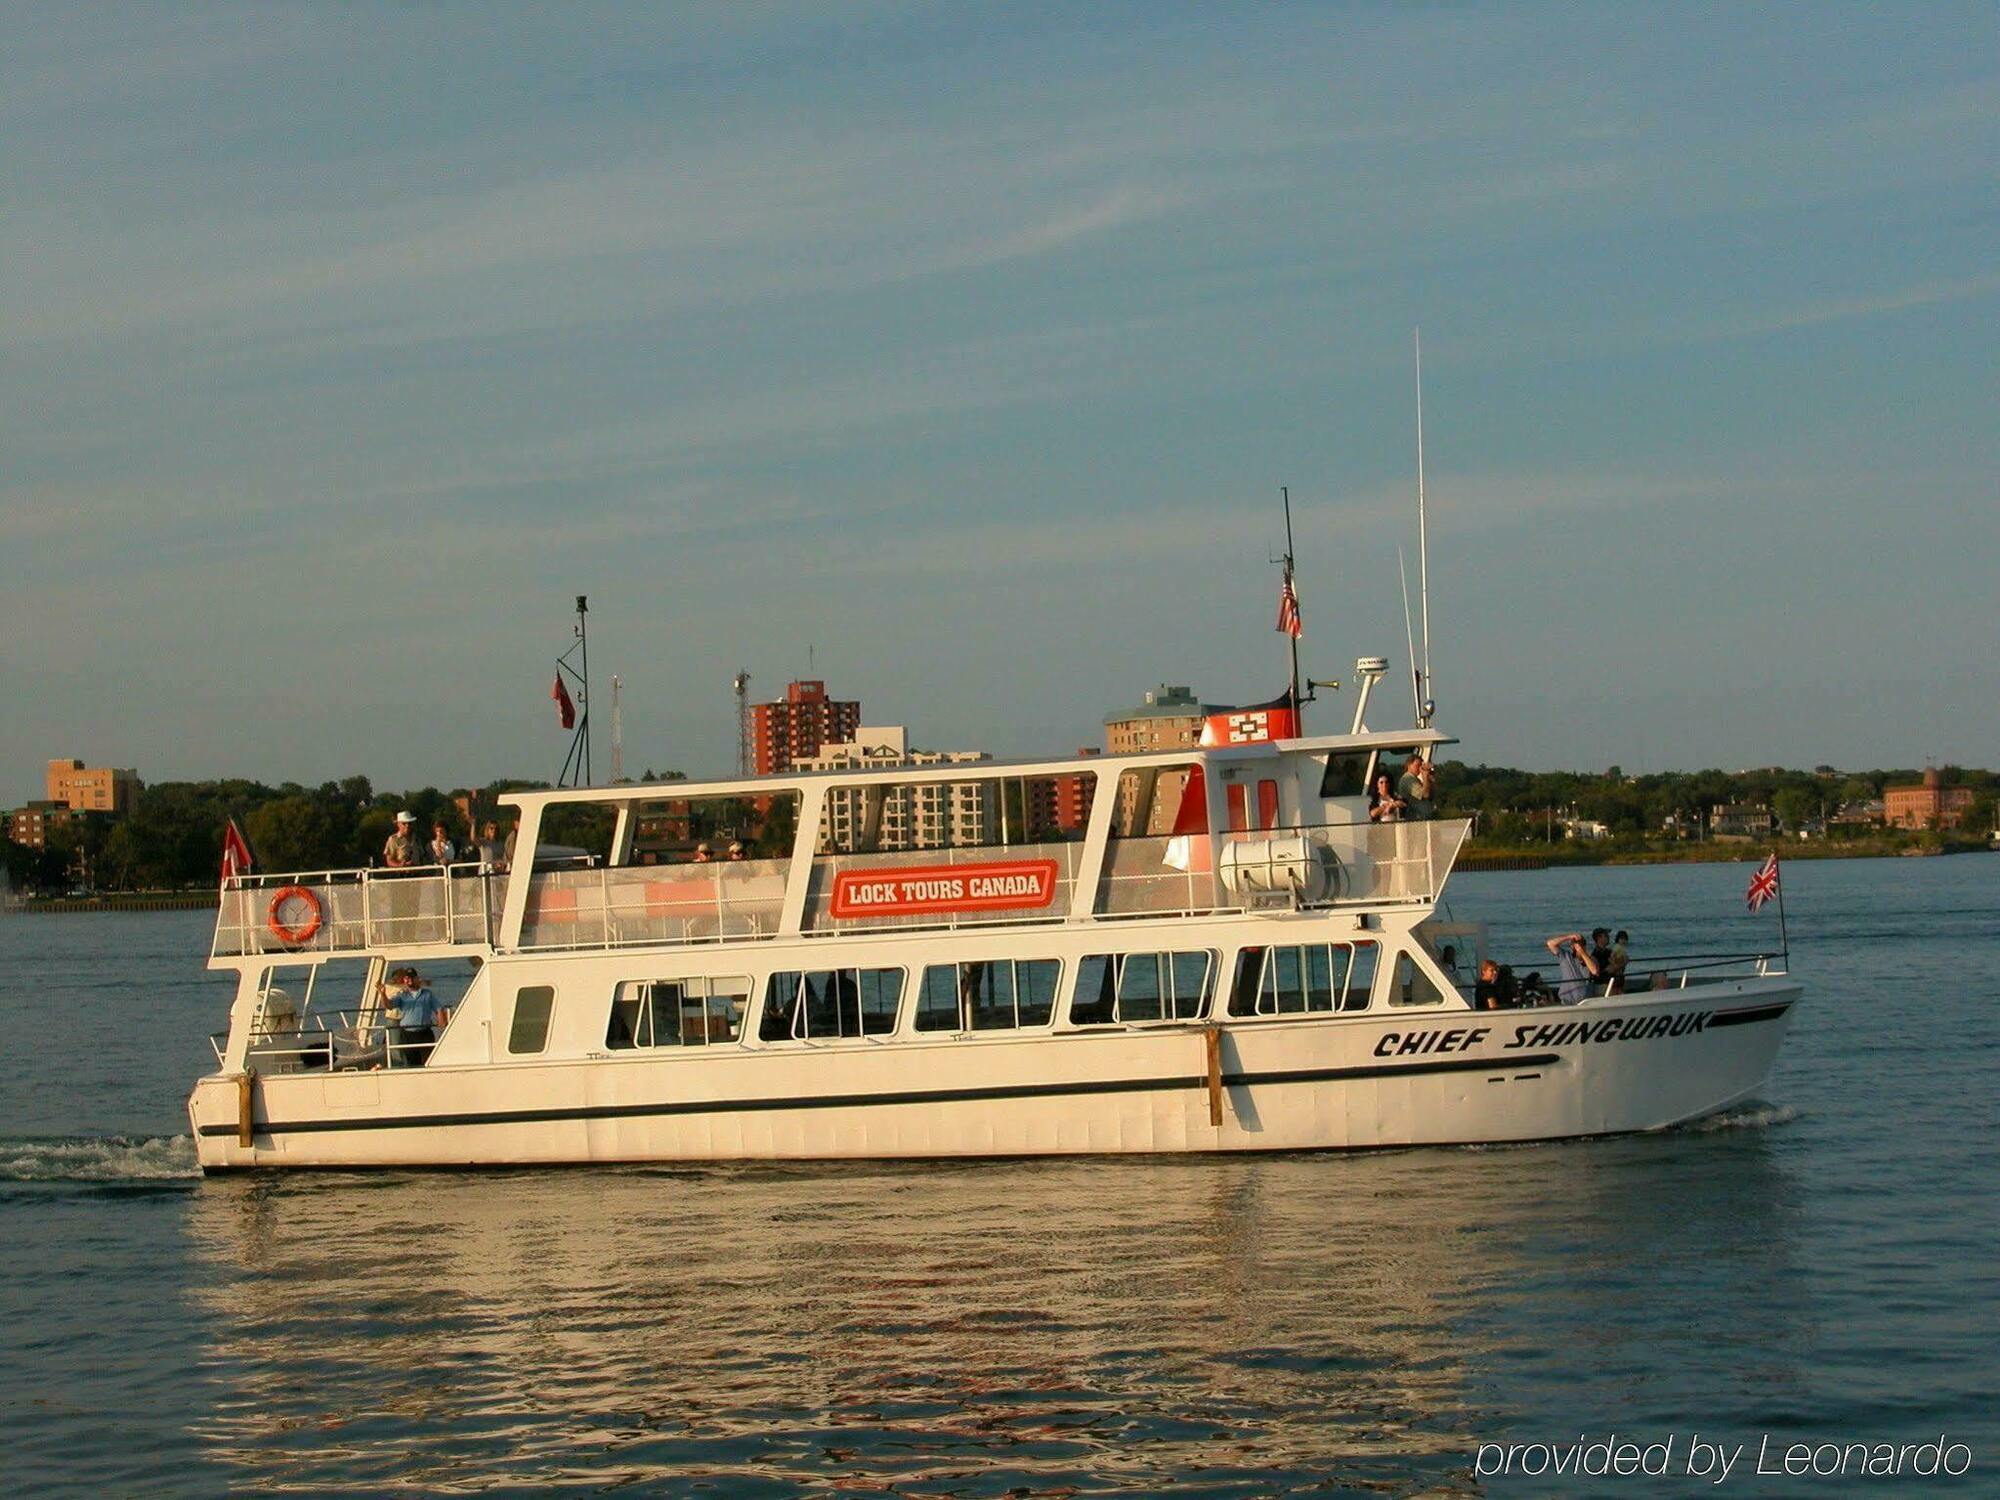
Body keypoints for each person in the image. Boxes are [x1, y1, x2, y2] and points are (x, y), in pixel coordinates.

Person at [385, 967, 443, 1066]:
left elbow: (438, 1009)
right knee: (410, 1062)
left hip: (424, 1033)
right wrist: (382, 994)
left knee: (428, 1061)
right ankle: (400, 1065)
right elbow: (389, 1005)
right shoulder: (401, 995)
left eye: (412, 978)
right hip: (407, 1034)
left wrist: (442, 1024)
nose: (409, 980)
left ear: (416, 978)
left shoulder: (427, 994)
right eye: (407, 978)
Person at [1544, 932, 1602, 1003]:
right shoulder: (1566, 956)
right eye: (1574, 944)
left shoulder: (1591, 959)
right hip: (1567, 998)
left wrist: (1582, 953)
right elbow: (1550, 943)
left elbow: (1594, 971)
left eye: (1580, 944)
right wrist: (1568, 937)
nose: (1577, 947)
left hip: (1585, 1000)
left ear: (1584, 946)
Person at [1396, 753, 1435, 820]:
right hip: (1414, 818)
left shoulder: (1414, 779)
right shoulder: (1408, 779)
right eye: (1417, 765)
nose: (1420, 768)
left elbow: (1431, 795)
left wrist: (1430, 778)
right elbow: (1425, 795)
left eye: (1421, 765)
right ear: (1409, 765)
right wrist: (1425, 776)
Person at [1608, 930, 1631, 995]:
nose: (1623, 941)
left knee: (1620, 982)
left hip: (1620, 968)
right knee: (1617, 984)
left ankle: (1620, 992)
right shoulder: (1617, 947)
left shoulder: (1622, 948)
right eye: (1621, 939)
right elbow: (1612, 956)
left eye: (1625, 939)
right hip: (1617, 968)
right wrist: (1614, 964)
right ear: (1618, 939)